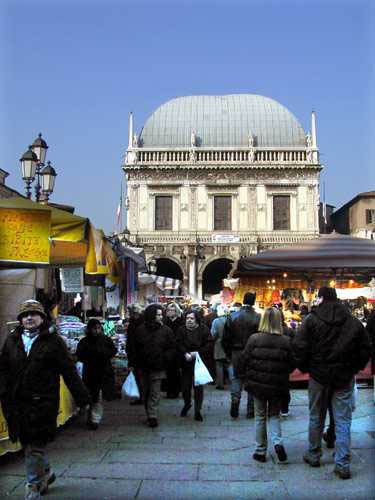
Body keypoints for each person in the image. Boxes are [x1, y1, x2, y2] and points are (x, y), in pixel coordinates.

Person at [0, 300, 91, 500]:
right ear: (20, 319)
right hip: (17, 403)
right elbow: (4, 369)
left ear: (42, 318)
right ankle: (46, 472)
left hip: (42, 402)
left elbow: (69, 371)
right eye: (25, 315)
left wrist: (83, 398)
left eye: (34, 314)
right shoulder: (12, 340)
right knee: (29, 444)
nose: (29, 318)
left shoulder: (53, 341)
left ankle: (33, 487)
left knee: (34, 444)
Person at [292, 287, 370, 479]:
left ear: (321, 298)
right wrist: (354, 368)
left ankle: (314, 454)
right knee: (343, 421)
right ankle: (342, 463)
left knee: (316, 416)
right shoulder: (353, 322)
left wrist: (306, 368)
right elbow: (366, 349)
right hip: (343, 377)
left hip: (318, 376)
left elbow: (299, 347)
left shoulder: (311, 320)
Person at [238, 307, 295, 463]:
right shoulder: (285, 341)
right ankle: (278, 442)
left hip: (258, 385)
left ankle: (260, 451)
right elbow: (292, 363)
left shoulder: (254, 339)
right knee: (274, 415)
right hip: (277, 384)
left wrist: (249, 374)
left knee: (260, 417)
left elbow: (244, 359)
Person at [132, 304, 176, 428]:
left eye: (161, 314)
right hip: (143, 366)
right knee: (145, 391)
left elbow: (172, 347)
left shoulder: (166, 330)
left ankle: (152, 415)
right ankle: (149, 413)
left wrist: (165, 358)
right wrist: (134, 362)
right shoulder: (140, 330)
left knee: (155, 392)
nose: (161, 317)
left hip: (159, 366)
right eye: (158, 314)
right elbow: (134, 347)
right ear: (151, 315)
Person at [222, 292, 260, 419]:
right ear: (253, 302)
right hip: (253, 354)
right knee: (252, 380)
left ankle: (235, 401)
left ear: (243, 301)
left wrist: (229, 354)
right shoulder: (258, 317)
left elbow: (225, 339)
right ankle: (250, 410)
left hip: (236, 353)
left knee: (236, 379)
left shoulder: (232, 316)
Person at [76, 318, 117, 430]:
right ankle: (90, 417)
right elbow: (79, 355)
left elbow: (113, 351)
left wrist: (103, 354)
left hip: (103, 373)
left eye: (99, 328)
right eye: (94, 328)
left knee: (97, 398)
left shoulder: (106, 340)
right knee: (90, 396)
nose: (97, 331)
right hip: (89, 373)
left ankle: (95, 419)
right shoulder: (84, 341)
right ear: (89, 329)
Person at [177, 309, 212, 421]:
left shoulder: (204, 329)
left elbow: (209, 344)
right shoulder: (181, 330)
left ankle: (198, 410)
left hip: (199, 363)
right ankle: (187, 403)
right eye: (187, 318)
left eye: (192, 318)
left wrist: (197, 353)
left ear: (196, 319)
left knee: (198, 388)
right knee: (185, 388)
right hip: (185, 362)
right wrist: (184, 353)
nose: (189, 320)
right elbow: (178, 343)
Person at [163, 302, 184, 398]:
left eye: (172, 310)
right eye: (168, 310)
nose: (170, 312)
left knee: (176, 372)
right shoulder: (165, 322)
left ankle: (176, 391)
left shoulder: (181, 322)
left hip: (177, 351)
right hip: (167, 351)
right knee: (168, 372)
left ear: (176, 311)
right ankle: (169, 391)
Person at [126, 304, 144, 405]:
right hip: (134, 353)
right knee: (138, 376)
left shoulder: (139, 323)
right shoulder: (133, 322)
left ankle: (142, 396)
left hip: (139, 353)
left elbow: (132, 340)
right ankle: (140, 396)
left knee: (140, 376)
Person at [211, 305, 229, 390]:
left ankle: (220, 384)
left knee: (219, 365)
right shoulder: (231, 320)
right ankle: (233, 383)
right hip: (229, 346)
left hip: (219, 345)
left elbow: (213, 334)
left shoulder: (216, 321)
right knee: (229, 365)